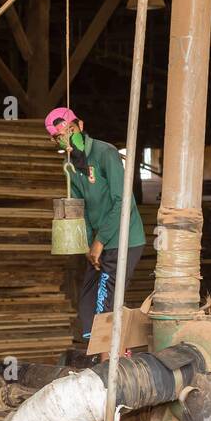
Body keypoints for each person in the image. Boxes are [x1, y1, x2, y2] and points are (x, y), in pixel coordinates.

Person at [46, 107, 146, 347]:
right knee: (87, 304)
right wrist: (89, 244)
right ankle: (105, 357)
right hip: (99, 243)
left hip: (123, 239)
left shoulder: (105, 153)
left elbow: (124, 201)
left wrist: (99, 241)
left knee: (104, 305)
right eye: (60, 137)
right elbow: (81, 208)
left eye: (70, 131)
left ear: (80, 126)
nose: (67, 139)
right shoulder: (71, 165)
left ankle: (108, 365)